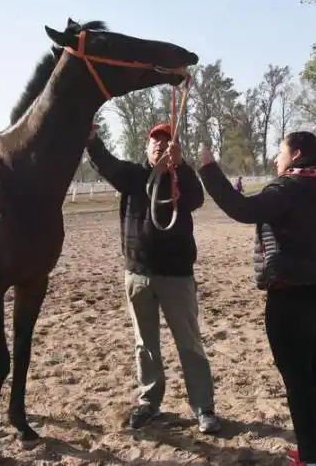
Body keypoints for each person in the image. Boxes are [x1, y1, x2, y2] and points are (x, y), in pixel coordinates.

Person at [196, 131, 316, 466]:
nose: (275, 159)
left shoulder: (288, 187)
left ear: (296, 155)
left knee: (298, 378)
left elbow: (241, 208)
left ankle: (308, 458)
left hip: (291, 294)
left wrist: (208, 168)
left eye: (279, 152)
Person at [86, 122, 220, 435]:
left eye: (165, 141)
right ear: (147, 149)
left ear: (174, 148)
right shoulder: (134, 176)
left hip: (177, 276)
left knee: (189, 343)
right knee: (145, 344)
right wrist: (92, 140)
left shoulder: (181, 177)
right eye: (154, 142)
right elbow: (107, 163)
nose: (159, 145)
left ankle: (204, 408)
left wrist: (183, 166)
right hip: (138, 274)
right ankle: (150, 402)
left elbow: (196, 200)